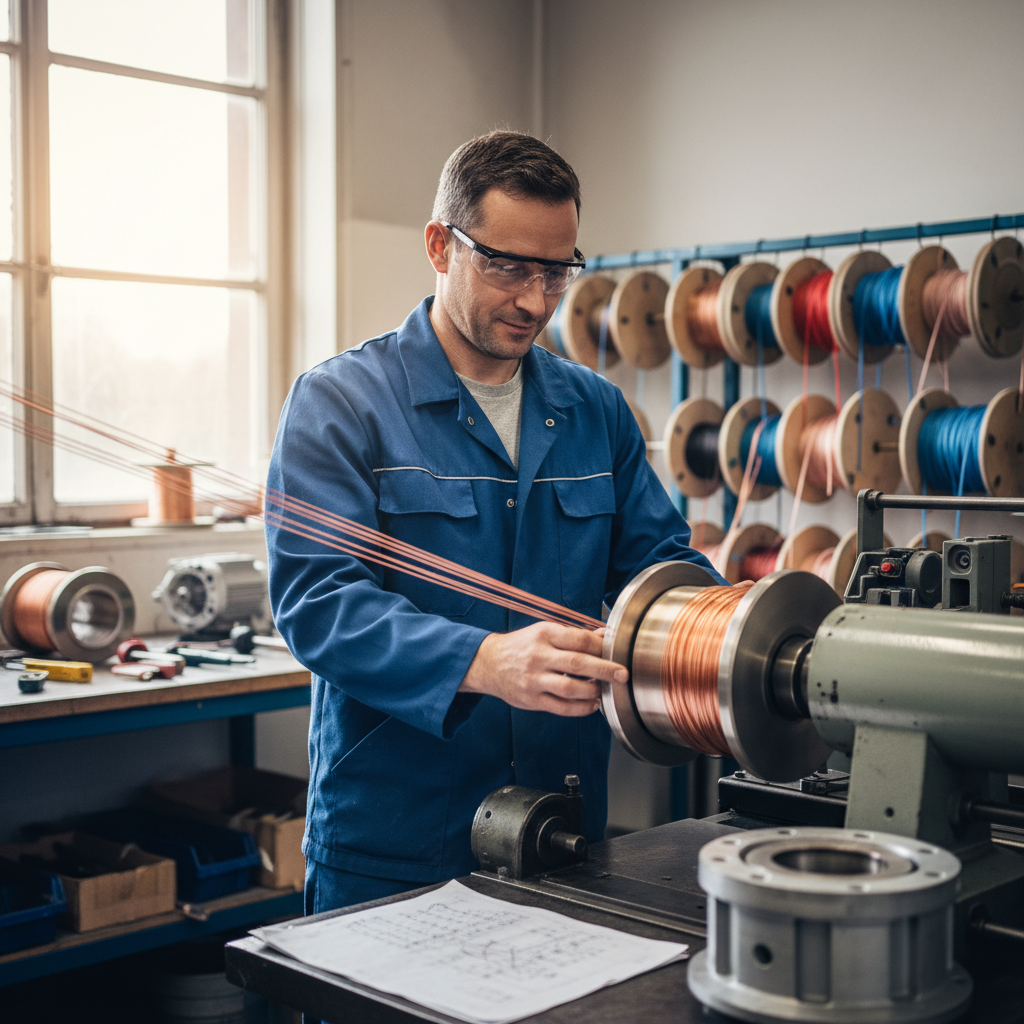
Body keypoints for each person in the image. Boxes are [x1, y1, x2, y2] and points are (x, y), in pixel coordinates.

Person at [266, 130, 725, 919]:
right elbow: (320, 603)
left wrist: (739, 634)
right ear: (441, 246)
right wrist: (481, 661)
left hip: (558, 831)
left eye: (557, 270)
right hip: (396, 840)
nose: (535, 300)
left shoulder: (595, 410)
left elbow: (656, 568)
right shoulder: (341, 403)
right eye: (506, 265)